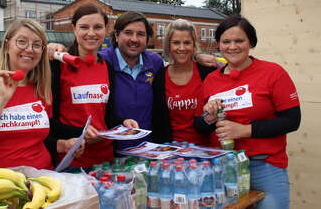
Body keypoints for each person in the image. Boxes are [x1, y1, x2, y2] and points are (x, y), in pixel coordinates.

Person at [47, 11, 218, 152]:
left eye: (140, 34)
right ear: (116, 35)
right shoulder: (104, 62)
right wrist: (53, 49)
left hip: (150, 150)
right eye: (128, 33)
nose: (134, 39)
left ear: (147, 38)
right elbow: (79, 61)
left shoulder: (155, 63)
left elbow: (179, 59)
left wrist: (196, 56)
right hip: (111, 152)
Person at [194, 15, 301, 209]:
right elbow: (199, 126)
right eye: (226, 41)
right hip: (223, 170)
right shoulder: (211, 80)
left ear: (250, 42)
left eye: (239, 40)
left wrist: (244, 131)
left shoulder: (273, 73)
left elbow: (292, 120)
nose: (232, 46)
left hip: (264, 167)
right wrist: (208, 117)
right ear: (219, 44)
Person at [0, 19, 84, 171]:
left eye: (36, 45)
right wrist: (1, 100)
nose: (29, 49)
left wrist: (63, 145)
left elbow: (35, 140)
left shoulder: (41, 88)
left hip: (42, 179)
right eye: (22, 42)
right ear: (7, 46)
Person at [50, 3, 138, 171]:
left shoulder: (108, 67)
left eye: (98, 27)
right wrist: (80, 132)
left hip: (105, 162)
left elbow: (107, 117)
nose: (91, 33)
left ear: (105, 30)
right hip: (73, 163)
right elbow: (50, 122)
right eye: (84, 27)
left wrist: (123, 122)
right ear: (74, 30)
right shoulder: (58, 66)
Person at [151, 19, 215, 145]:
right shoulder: (160, 77)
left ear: (194, 46)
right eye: (176, 43)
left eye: (187, 43)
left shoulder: (207, 73)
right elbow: (157, 119)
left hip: (206, 151)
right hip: (173, 150)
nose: (181, 48)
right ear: (168, 45)